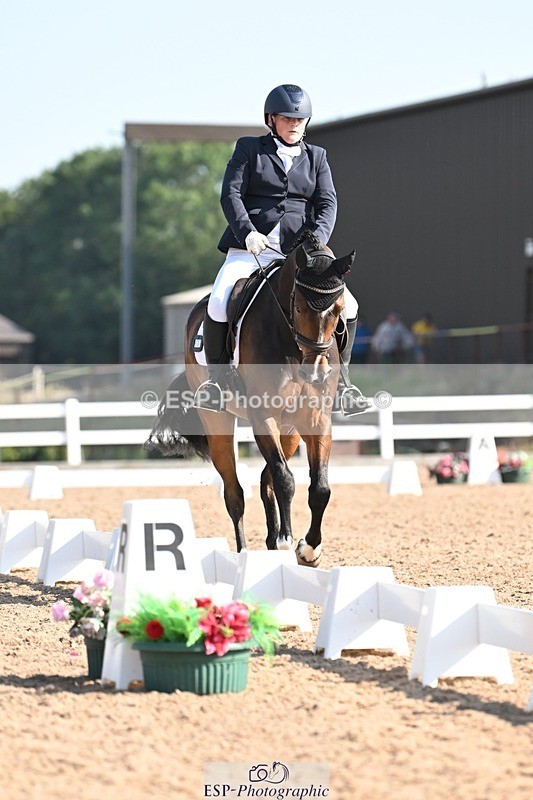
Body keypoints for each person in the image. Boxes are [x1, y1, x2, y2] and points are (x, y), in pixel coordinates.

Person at [193, 83, 365, 415]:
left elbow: (327, 203)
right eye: (287, 118)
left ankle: (344, 383)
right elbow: (230, 194)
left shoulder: (317, 157)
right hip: (251, 249)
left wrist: (315, 243)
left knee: (350, 305)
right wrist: (247, 233)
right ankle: (216, 381)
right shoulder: (249, 149)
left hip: (298, 254)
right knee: (218, 302)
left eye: (300, 119)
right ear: (271, 119)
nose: (294, 124)